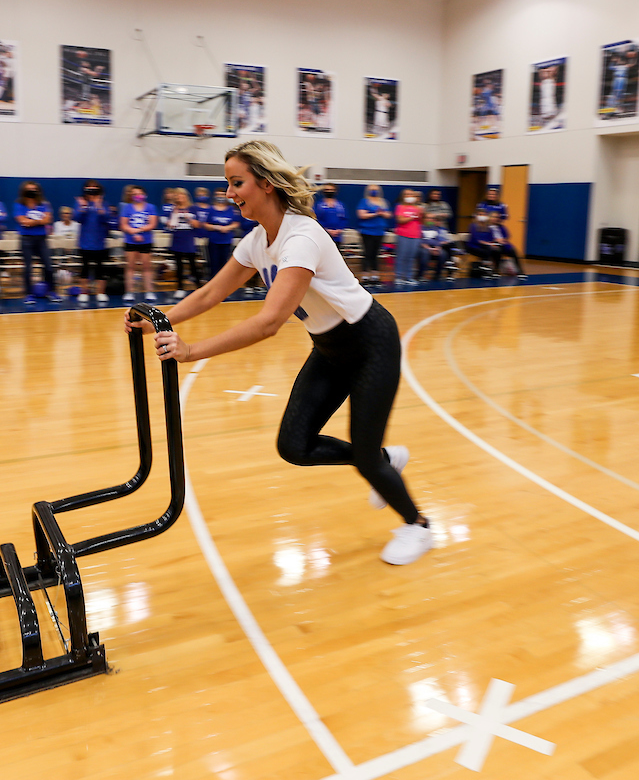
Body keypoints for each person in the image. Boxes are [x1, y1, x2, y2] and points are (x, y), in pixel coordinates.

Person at [127, 140, 431, 566]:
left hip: (369, 344)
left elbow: (269, 322)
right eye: (227, 185)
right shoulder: (258, 240)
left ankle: (417, 526)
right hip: (329, 348)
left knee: (363, 453)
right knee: (294, 446)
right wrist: (160, 321)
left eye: (237, 183)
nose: (229, 194)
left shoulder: (301, 237)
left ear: (266, 184)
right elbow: (212, 292)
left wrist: (191, 350)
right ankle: (382, 461)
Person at [14, 181, 58, 305]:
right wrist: (39, 220)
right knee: (28, 268)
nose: (32, 192)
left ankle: (52, 291)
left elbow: (48, 219)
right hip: (26, 239)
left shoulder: (44, 204)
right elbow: (23, 221)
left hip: (41, 239)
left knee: (48, 266)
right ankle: (28, 294)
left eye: (34, 189)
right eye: (29, 189)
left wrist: (32, 221)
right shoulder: (19, 204)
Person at [120, 185, 157, 303]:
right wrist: (133, 232)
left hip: (145, 240)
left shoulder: (151, 207)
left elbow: (152, 224)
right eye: (134, 194)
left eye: (139, 193)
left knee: (146, 266)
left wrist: (139, 230)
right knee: (130, 266)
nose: (137, 196)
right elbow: (123, 224)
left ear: (144, 195)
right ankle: (129, 291)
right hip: (130, 240)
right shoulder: (127, 208)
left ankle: (149, 291)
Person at [74, 181, 110, 303]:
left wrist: (99, 207)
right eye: (89, 190)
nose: (92, 192)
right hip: (85, 241)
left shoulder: (103, 204)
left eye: (95, 190)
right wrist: (82, 207)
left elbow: (107, 218)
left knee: (100, 268)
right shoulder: (82, 203)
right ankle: (84, 292)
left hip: (99, 242)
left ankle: (100, 292)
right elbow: (77, 218)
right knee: (85, 268)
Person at [166, 189, 199, 300]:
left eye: (181, 195)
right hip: (177, 238)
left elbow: (197, 224)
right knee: (178, 265)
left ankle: (199, 287)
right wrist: (174, 216)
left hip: (188, 238)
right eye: (177, 195)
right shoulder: (173, 209)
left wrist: (187, 216)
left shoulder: (193, 208)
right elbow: (170, 225)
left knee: (192, 264)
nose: (179, 197)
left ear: (186, 196)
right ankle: (180, 288)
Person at [355, 185, 390, 284]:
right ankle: (365, 275)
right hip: (367, 231)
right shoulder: (364, 201)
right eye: (372, 190)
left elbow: (388, 215)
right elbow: (361, 215)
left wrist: (382, 213)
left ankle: (375, 275)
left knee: (376, 254)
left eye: (376, 190)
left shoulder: (383, 202)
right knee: (367, 253)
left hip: (379, 232)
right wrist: (375, 214)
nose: (374, 191)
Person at [203, 189, 240, 282]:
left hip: (226, 241)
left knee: (224, 264)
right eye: (218, 194)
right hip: (213, 241)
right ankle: (212, 284)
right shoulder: (211, 209)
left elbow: (236, 223)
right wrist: (217, 228)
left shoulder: (231, 209)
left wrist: (228, 227)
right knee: (213, 264)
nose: (220, 197)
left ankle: (223, 284)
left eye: (222, 195)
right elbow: (205, 224)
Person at [392, 189, 424, 286]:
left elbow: (422, 222)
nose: (409, 196)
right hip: (403, 234)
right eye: (407, 194)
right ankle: (399, 277)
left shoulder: (418, 208)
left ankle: (409, 277)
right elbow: (400, 220)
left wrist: (421, 215)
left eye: (411, 194)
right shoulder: (400, 207)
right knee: (402, 256)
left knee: (411, 257)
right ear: (403, 196)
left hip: (415, 235)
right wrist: (412, 217)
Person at [487, 210, 526, 278]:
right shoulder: (487, 227)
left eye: (497, 217)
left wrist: (502, 240)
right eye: (493, 217)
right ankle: (496, 270)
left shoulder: (501, 227)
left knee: (513, 251)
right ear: (489, 217)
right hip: (492, 244)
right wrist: (495, 240)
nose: (495, 219)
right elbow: (486, 237)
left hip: (503, 243)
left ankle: (520, 271)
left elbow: (507, 235)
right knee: (497, 251)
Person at [466, 211, 501, 276]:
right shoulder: (473, 226)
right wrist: (486, 243)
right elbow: (475, 239)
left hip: (485, 246)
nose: (482, 216)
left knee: (497, 250)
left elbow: (491, 238)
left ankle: (495, 270)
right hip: (473, 246)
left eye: (484, 214)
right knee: (487, 250)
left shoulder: (488, 227)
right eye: (480, 214)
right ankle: (485, 268)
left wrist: (493, 244)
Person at [314, 184, 347, 250]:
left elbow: (344, 219)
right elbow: (316, 219)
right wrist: (327, 230)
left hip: (337, 236)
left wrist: (339, 230)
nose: (329, 191)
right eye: (327, 190)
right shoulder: (318, 206)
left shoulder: (340, 205)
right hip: (323, 235)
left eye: (331, 190)